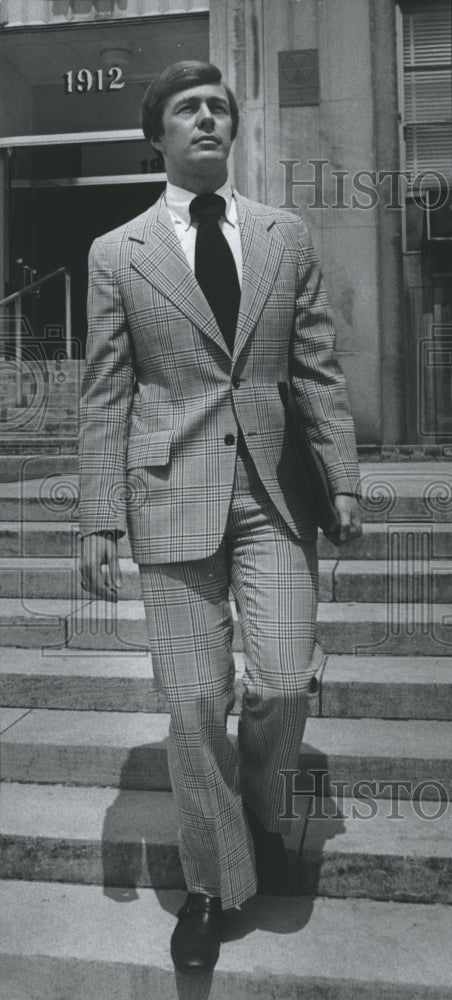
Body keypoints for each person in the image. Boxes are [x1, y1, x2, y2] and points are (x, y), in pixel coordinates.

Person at [79, 60, 362, 973]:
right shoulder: (118, 253)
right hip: (168, 496)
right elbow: (104, 395)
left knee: (281, 681)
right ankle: (213, 880)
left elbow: (317, 364)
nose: (206, 118)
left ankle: (258, 806)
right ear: (156, 136)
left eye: (218, 107)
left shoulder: (285, 235)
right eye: (185, 109)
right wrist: (97, 518)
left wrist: (343, 475)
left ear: (232, 131)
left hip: (275, 492)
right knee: (194, 702)